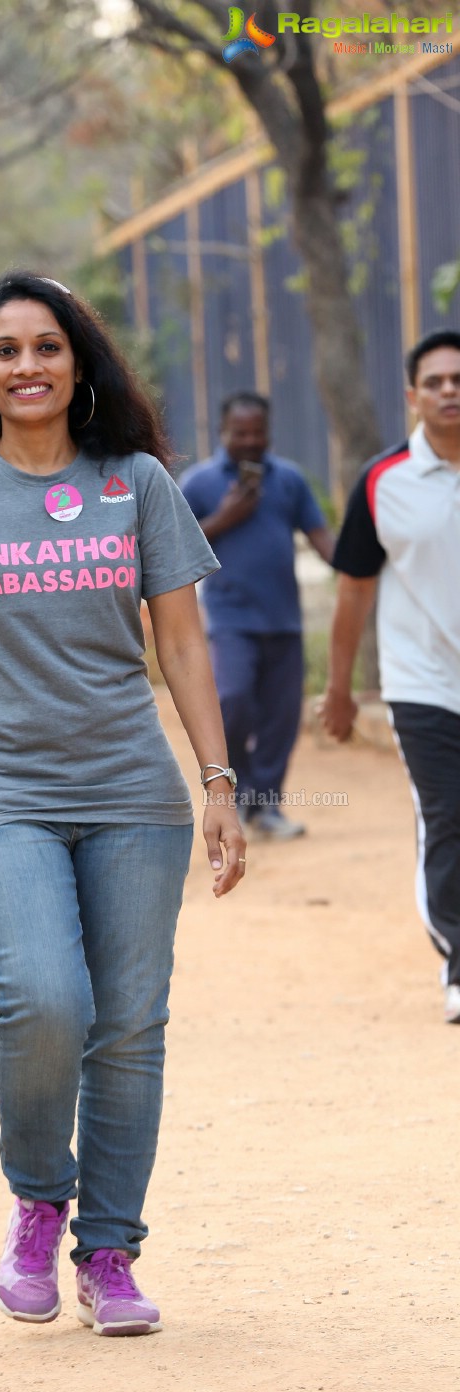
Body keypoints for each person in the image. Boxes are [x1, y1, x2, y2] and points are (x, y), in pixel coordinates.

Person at [0, 270, 245, 1338]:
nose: (28, 366)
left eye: (47, 347)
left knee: (129, 1027)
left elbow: (180, 640)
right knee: (45, 999)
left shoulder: (134, 482)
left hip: (131, 788)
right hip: (1, 786)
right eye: (6, 351)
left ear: (77, 363)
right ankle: (40, 1200)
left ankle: (110, 1253)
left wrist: (218, 784)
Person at [320, 328, 460, 1026]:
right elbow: (353, 593)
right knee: (448, 817)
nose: (448, 390)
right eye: (435, 381)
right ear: (413, 395)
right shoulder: (384, 481)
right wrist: (340, 689)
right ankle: (458, 963)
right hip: (422, 683)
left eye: (458, 379)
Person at [180, 391, 336, 838]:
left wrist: (360, 562)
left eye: (258, 433)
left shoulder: (289, 479)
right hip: (230, 620)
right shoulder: (199, 484)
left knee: (282, 718)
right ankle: (240, 789)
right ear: (222, 432)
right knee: (234, 700)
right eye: (240, 433)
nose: (250, 441)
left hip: (284, 619)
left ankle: (265, 807)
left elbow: (321, 538)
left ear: (269, 433)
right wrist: (225, 516)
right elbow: (173, 547)